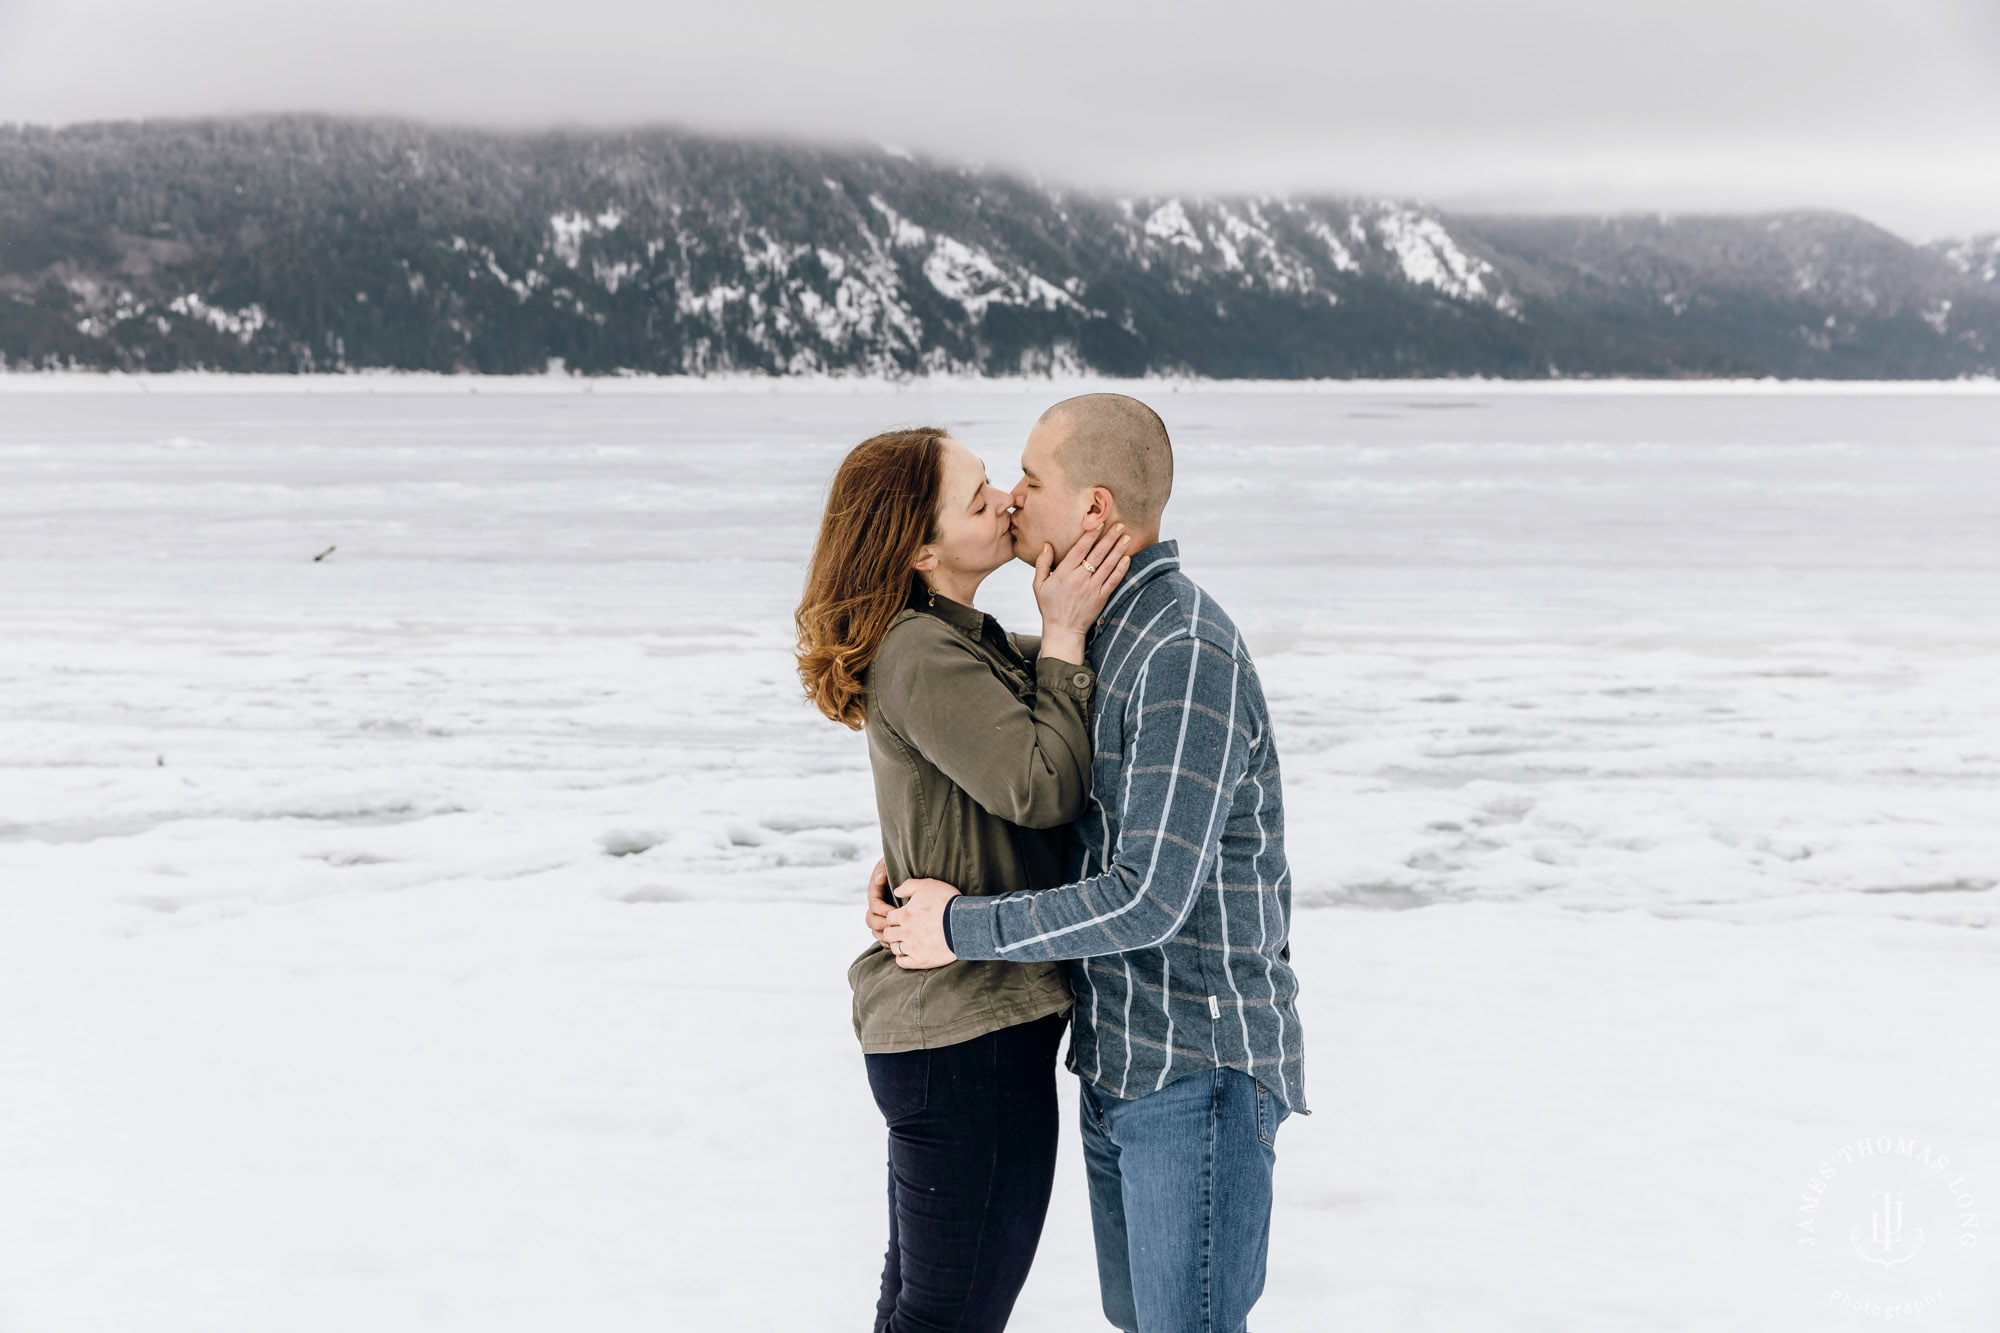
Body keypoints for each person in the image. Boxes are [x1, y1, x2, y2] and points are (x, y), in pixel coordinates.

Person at [880, 394, 1308, 1333]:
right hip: (1118, 1059)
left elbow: (1147, 895)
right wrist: (909, 868)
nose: (1014, 499)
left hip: (1195, 1065)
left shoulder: (1182, 650)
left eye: (1032, 481)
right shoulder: (1094, 632)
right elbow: (1021, 763)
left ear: (1095, 510)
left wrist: (958, 927)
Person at [795, 425, 1132, 1333]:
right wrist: (1065, 630)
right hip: (965, 1037)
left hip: (960, 1036)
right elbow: (1042, 783)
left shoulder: (960, 637)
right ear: (922, 547)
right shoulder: (919, 650)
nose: (1006, 502)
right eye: (982, 497)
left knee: (923, 1315)